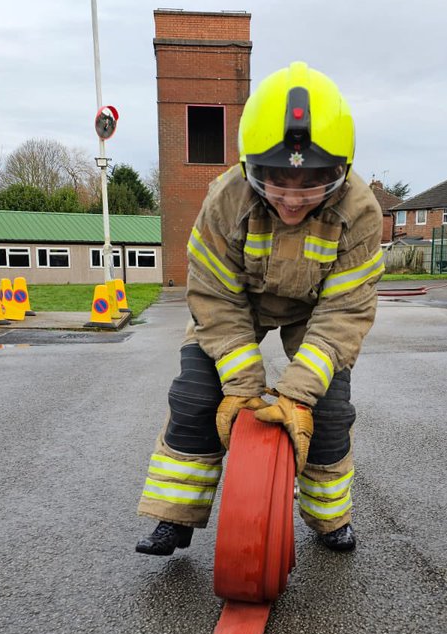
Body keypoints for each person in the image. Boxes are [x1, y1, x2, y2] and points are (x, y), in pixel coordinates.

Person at [135, 61, 384, 556]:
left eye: (312, 183)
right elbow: (214, 296)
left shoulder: (361, 213)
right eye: (276, 180)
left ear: (341, 170)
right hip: (236, 303)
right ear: (252, 166)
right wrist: (244, 385)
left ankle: (330, 518)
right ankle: (175, 518)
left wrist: (296, 396)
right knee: (195, 397)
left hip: (316, 311)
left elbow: (344, 314)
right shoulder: (224, 201)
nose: (292, 198)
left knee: (330, 411)